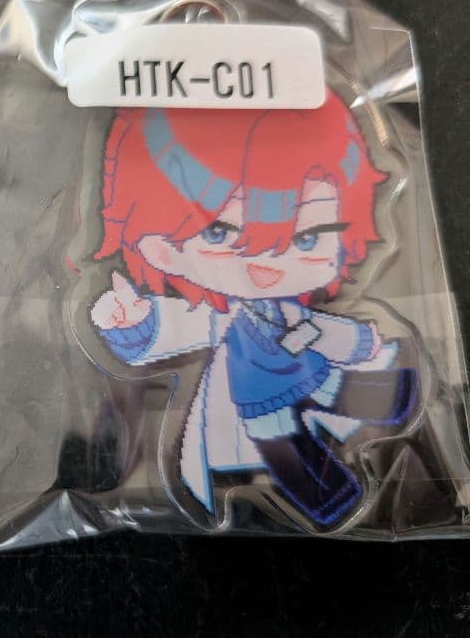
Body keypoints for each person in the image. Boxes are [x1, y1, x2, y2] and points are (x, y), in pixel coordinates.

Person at [89, 92, 417, 526]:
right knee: (286, 449)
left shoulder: (288, 310)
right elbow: (171, 329)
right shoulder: (217, 316)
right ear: (160, 245)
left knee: (344, 390)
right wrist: (132, 323)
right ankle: (330, 498)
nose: (265, 261)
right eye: (219, 234)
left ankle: (400, 398)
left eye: (306, 238)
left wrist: (360, 341)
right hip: (258, 401)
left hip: (310, 371)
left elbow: (319, 326)